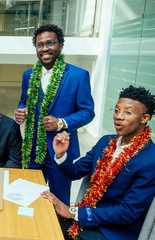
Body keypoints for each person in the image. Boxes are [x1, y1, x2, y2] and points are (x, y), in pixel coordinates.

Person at [42, 85, 155, 240]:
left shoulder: (151, 159)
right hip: (88, 217)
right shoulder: (105, 142)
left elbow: (127, 213)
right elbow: (75, 171)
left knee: (51, 232)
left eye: (127, 112)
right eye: (116, 110)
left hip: (115, 231)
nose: (118, 116)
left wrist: (72, 212)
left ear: (144, 118)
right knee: (43, 220)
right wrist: (61, 154)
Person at [15, 24, 95, 205]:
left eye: (50, 43)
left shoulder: (78, 75)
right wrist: (20, 112)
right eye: (39, 44)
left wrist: (62, 122)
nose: (44, 48)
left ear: (61, 45)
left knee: (59, 202)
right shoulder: (28, 75)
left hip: (61, 152)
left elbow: (88, 112)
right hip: (32, 150)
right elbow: (23, 101)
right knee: (29, 199)